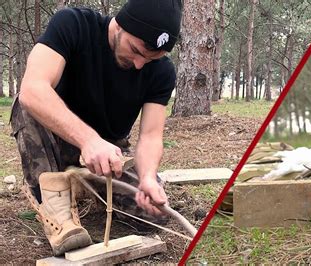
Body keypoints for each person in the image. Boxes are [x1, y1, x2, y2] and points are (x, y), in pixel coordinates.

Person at [10, 0, 182, 255]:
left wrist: (147, 176)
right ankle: (53, 198)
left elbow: (150, 136)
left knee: (151, 215)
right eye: (135, 50)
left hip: (107, 155)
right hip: (54, 140)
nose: (138, 64)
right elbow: (32, 89)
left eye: (150, 59)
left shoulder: (161, 72)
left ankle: (78, 183)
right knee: (27, 105)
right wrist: (88, 140)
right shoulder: (73, 25)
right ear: (122, 24)